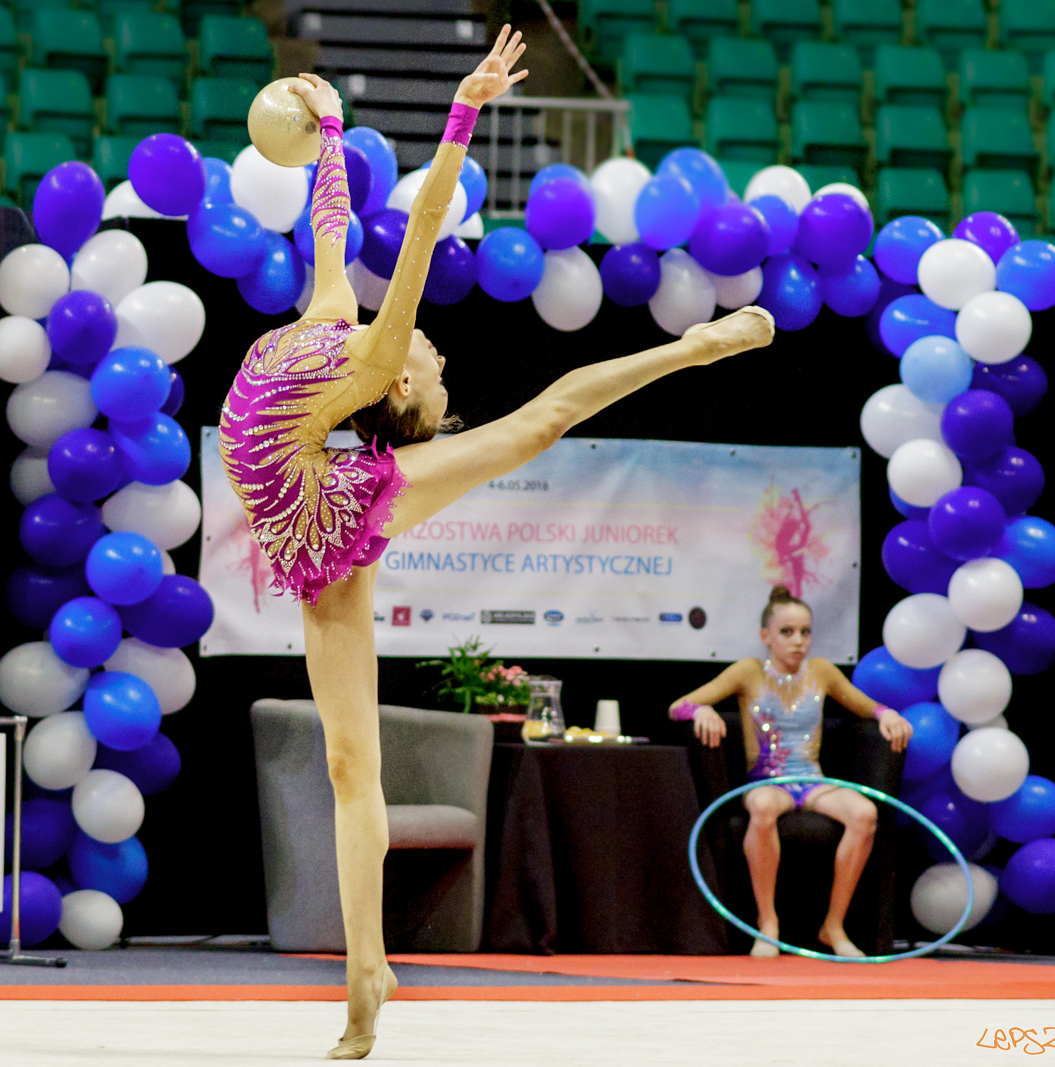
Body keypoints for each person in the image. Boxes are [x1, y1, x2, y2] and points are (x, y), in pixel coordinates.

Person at [220, 28, 776, 1058]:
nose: (436, 360)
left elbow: (423, 227)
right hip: (303, 507)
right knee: (348, 760)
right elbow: (337, 223)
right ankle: (369, 968)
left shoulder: (371, 357)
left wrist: (463, 115)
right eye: (439, 373)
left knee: (352, 758)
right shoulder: (343, 323)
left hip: (319, 505)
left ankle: (363, 974)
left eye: (431, 374)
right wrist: (331, 129)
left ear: (395, 387)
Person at [667, 586, 914, 958]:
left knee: (865, 814)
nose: (798, 641)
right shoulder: (748, 672)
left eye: (805, 632)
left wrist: (887, 714)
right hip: (767, 781)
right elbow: (677, 706)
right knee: (763, 807)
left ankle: (833, 926)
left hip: (812, 781)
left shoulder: (822, 671)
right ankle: (768, 924)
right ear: (766, 636)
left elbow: (864, 705)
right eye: (787, 632)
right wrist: (700, 710)